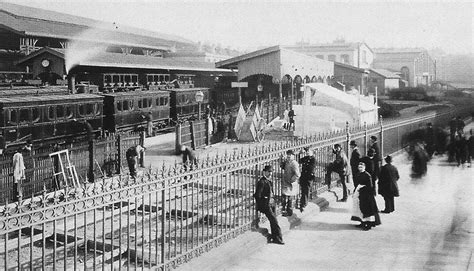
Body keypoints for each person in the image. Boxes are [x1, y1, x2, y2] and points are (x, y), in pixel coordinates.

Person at [254, 165, 284, 245]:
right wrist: (262, 204)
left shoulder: (269, 181)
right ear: (264, 172)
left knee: (273, 221)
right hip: (266, 205)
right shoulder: (262, 182)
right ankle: (278, 238)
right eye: (268, 172)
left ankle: (275, 237)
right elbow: (257, 195)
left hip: (272, 203)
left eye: (271, 172)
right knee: (274, 221)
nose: (270, 174)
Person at [351, 162, 381, 231]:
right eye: (359, 167)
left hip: (366, 194)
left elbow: (370, 186)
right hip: (359, 192)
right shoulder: (358, 174)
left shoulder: (367, 175)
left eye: (361, 167)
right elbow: (357, 184)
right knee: (359, 207)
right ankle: (362, 222)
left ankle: (368, 224)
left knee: (367, 209)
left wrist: (363, 190)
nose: (360, 169)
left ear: (364, 167)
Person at [280, 150, 300, 216]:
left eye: (290, 155)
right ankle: (285, 210)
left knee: (290, 198)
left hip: (291, 183)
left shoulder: (294, 163)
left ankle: (289, 211)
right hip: (286, 181)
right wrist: (281, 159)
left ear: (293, 156)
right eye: (288, 155)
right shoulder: (287, 162)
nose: (288, 156)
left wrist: (292, 180)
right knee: (286, 196)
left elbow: (297, 174)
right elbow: (282, 166)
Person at [299, 147, 316, 212]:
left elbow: (311, 168)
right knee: (303, 189)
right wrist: (300, 154)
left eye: (308, 151)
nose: (307, 152)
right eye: (307, 151)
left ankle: (304, 204)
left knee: (306, 190)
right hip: (303, 176)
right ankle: (302, 202)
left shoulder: (313, 159)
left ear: (312, 152)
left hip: (309, 177)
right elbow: (299, 161)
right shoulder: (306, 158)